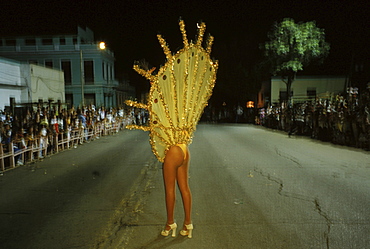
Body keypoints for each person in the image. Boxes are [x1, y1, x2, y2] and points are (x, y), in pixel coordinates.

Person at [125, 19, 218, 238]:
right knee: (185, 187)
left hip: (173, 151)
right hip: (185, 148)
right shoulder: (181, 106)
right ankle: (188, 224)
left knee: (169, 190)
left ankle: (170, 224)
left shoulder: (164, 100)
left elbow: (159, 102)